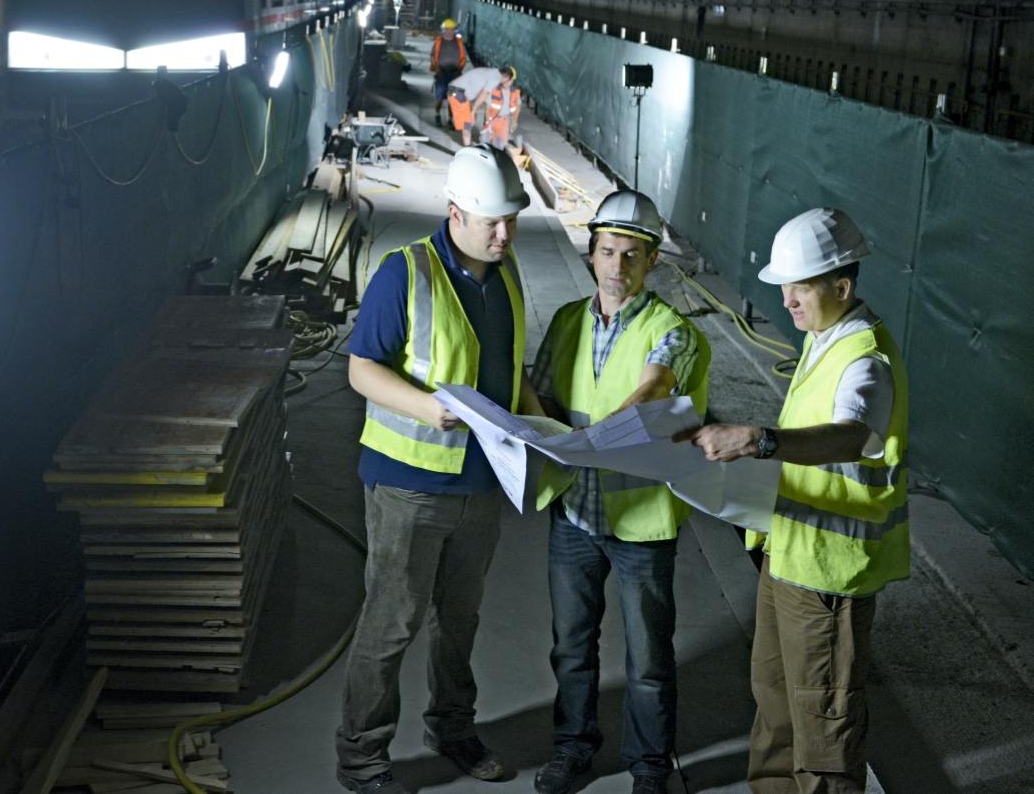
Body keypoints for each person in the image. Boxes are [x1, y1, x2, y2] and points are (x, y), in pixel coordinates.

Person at [676, 207, 908, 794]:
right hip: (789, 560)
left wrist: (759, 440)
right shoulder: (821, 339)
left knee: (823, 735)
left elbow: (855, 435)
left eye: (798, 287)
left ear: (842, 287)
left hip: (828, 579)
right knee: (776, 705)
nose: (785, 300)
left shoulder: (865, 362)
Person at [337, 146, 547, 794]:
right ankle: (362, 758)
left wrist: (545, 430)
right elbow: (360, 367)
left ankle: (451, 726)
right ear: (454, 213)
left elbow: (510, 375)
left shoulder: (503, 272)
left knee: (460, 618)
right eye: (490, 221)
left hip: (479, 484)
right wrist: (427, 407)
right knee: (391, 622)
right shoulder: (405, 273)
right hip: (408, 483)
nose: (503, 233)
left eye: (509, 218)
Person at [529, 190, 711, 794]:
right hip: (575, 516)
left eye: (632, 255)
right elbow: (542, 397)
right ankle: (573, 748)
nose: (617, 266)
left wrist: (591, 440)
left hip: (641, 525)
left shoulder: (675, 333)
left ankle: (650, 768)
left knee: (649, 661)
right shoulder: (565, 324)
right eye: (607, 251)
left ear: (652, 260)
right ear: (591, 253)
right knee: (572, 647)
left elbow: (653, 391)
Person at [447, 65, 515, 147]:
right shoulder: (496, 78)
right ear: (506, 79)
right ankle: (468, 147)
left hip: (458, 91)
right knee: (467, 122)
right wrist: (473, 112)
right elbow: (483, 94)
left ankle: (468, 142)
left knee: (472, 118)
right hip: (458, 93)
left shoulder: (493, 72)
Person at [430, 19, 466, 127]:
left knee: (453, 99)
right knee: (439, 98)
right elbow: (432, 56)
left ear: (455, 30)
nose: (449, 31)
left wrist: (459, 71)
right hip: (441, 74)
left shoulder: (459, 43)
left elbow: (464, 58)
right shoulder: (438, 41)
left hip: (454, 75)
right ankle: (437, 115)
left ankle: (450, 120)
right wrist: (437, 68)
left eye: (451, 29)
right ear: (443, 30)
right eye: (447, 29)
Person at [481, 73, 522, 152]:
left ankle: (497, 158)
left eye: (510, 80)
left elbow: (518, 105)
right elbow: (488, 107)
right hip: (492, 119)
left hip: (505, 121)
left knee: (501, 145)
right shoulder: (494, 90)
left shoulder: (516, 92)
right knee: (484, 141)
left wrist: (515, 118)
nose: (507, 82)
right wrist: (487, 121)